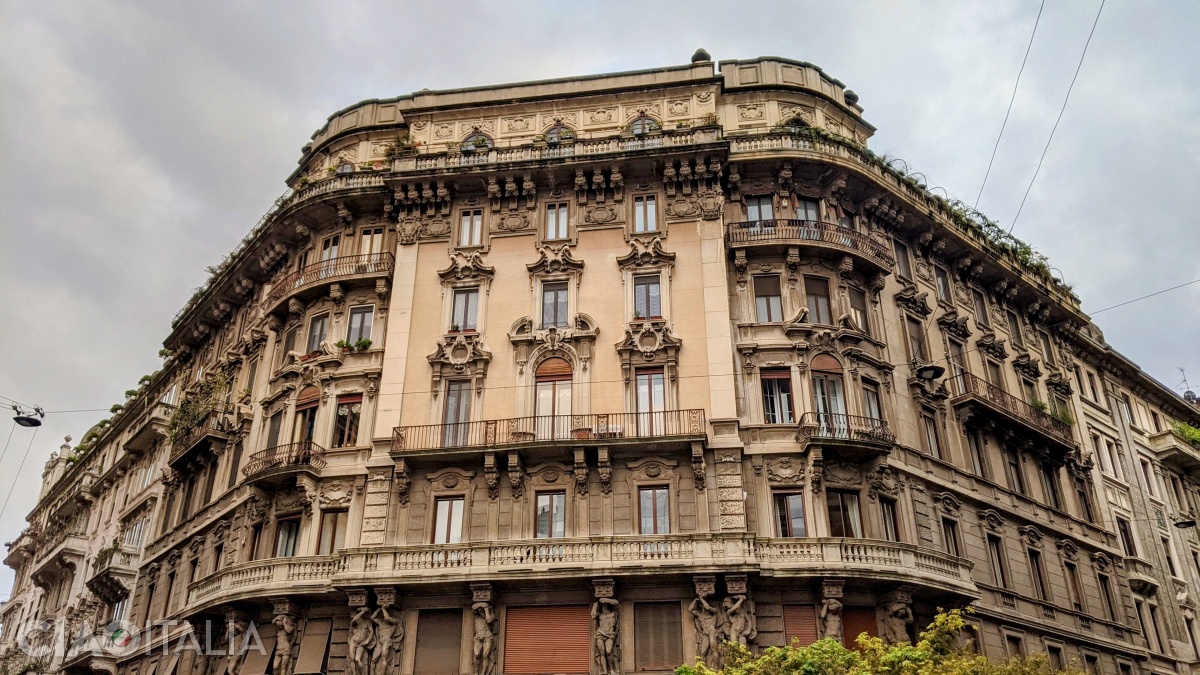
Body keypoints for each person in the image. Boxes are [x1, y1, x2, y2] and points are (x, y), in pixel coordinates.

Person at [689, 595, 722, 668]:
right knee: (703, 652)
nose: (703, 607)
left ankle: (716, 668)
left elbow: (708, 607)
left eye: (703, 605)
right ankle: (703, 669)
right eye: (702, 605)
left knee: (714, 650)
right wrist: (695, 599)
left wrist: (702, 599)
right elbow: (690, 609)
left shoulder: (713, 611)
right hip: (705, 633)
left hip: (712, 632)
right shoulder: (700, 615)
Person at [592, 597, 620, 675]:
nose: (605, 608)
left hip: (610, 635)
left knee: (608, 651)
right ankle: (604, 670)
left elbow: (617, 603)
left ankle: (611, 669)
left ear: (608, 607)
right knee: (602, 652)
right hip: (600, 634)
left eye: (606, 606)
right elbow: (593, 615)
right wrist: (596, 603)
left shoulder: (613, 613)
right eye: (603, 606)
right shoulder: (600, 615)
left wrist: (607, 600)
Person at [373, 605, 404, 675]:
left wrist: (383, 609)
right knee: (375, 659)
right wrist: (378, 609)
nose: (383, 616)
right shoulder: (380, 623)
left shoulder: (394, 623)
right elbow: (372, 618)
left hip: (387, 639)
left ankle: (384, 661)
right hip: (380, 641)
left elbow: (387, 618)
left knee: (384, 651)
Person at [347, 607, 375, 675]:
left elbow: (372, 632)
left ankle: (361, 673)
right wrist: (362, 611)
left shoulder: (367, 623)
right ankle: (354, 673)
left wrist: (367, 641)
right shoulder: (354, 622)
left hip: (361, 644)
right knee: (351, 658)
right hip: (353, 641)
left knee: (357, 659)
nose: (352, 615)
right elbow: (355, 619)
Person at [472, 601, 496, 675]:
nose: (481, 611)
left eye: (482, 610)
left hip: (487, 636)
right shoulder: (476, 617)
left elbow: (489, 620)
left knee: (485, 655)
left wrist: (486, 609)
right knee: (476, 654)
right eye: (480, 610)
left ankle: (483, 673)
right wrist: (481, 605)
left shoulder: (490, 616)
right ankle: (476, 673)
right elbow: (473, 608)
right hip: (478, 637)